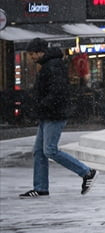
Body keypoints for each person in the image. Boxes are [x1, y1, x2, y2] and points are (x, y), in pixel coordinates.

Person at [20, 38, 98, 198]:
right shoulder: (49, 65)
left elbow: (57, 92)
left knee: (49, 150)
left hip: (54, 113)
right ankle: (41, 187)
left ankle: (87, 172)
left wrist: (42, 104)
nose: (31, 57)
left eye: (32, 54)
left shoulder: (53, 66)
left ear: (40, 52)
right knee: (39, 152)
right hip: (48, 113)